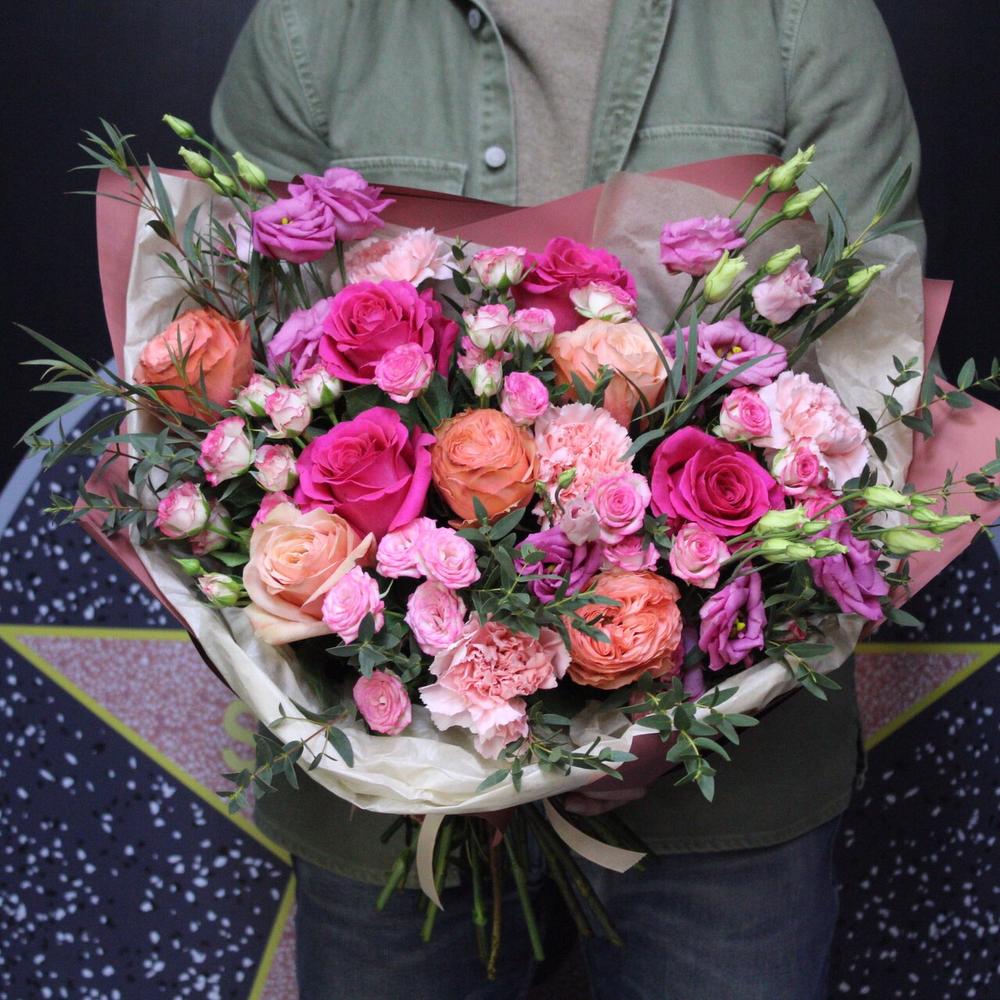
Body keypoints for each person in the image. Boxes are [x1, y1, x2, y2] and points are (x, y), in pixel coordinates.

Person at [211, 3, 923, 997]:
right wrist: (423, 677)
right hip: (385, 786)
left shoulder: (802, 20)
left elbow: (869, 384)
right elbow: (231, 375)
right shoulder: (313, 25)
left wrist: (671, 704)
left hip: (721, 791)